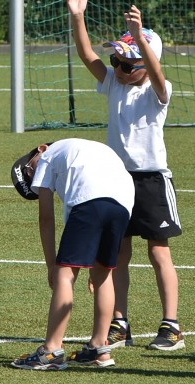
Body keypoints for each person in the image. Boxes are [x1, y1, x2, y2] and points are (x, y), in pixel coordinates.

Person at [67, 0, 184, 351]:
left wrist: (140, 39)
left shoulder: (156, 92)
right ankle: (120, 322)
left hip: (151, 179)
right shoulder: (115, 84)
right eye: (116, 61)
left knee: (158, 251)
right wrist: (78, 17)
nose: (117, 68)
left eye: (126, 64)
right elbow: (87, 55)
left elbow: (156, 72)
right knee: (118, 254)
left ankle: (171, 326)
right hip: (116, 180)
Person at [9, 138, 135, 370]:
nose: (34, 179)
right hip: (123, 203)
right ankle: (100, 348)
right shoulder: (82, 150)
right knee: (103, 275)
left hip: (91, 202)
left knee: (65, 276)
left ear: (40, 149)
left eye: (29, 172)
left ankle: (51, 351)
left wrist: (52, 266)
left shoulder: (47, 156)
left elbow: (46, 218)